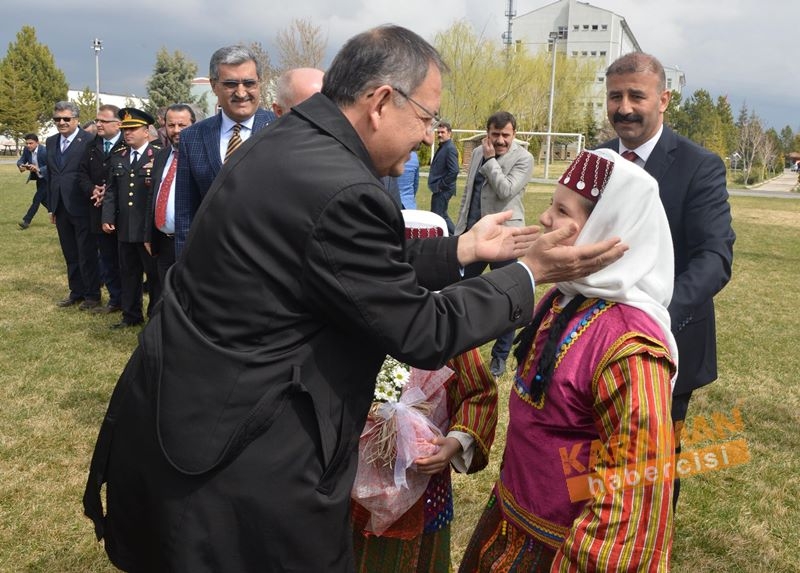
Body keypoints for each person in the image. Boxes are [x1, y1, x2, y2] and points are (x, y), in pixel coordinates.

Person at [83, 25, 626, 573]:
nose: (429, 135)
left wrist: (458, 250)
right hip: (241, 455)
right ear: (382, 102)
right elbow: (422, 330)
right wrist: (530, 274)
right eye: (427, 118)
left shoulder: (289, 141)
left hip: (191, 419)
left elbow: (335, 267)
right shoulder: (343, 187)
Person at [460, 148, 677, 572]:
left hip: (562, 549)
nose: (543, 218)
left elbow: (632, 495)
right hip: (510, 523)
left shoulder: (632, 349)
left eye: (561, 210)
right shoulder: (564, 300)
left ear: (605, 227)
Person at [598, 52, 735, 509]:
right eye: (615, 96)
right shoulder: (596, 162)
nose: (624, 107)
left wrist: (655, 316)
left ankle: (650, 544)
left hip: (666, 343)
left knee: (652, 464)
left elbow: (714, 258)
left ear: (664, 100)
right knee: (592, 458)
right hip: (594, 342)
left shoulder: (699, 166)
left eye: (637, 95)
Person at [352, 211, 498, 573]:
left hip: (424, 484)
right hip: (355, 485)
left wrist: (454, 443)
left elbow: (478, 394)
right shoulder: (360, 325)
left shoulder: (449, 333)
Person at [173, 44, 277, 256]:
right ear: (214, 85)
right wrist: (183, 272)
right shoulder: (191, 137)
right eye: (230, 84)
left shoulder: (283, 129)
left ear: (260, 83)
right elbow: (185, 213)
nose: (241, 93)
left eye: (249, 83)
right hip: (211, 264)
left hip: (270, 265)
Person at [454, 111, 534, 378]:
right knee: (459, 291)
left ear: (514, 135)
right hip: (474, 236)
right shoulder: (478, 152)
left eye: (505, 135)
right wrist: (461, 229)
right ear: (487, 133)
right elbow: (469, 193)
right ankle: (456, 349)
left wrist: (491, 161)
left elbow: (505, 190)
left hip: (505, 239)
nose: (499, 141)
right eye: (494, 135)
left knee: (508, 297)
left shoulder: (524, 158)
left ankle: (500, 356)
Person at [101, 108, 161, 329]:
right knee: (128, 274)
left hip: (149, 228)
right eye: (125, 129)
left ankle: (155, 315)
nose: (128, 133)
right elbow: (111, 191)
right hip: (125, 227)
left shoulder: (158, 155)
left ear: (146, 131)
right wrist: (107, 216)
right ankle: (131, 315)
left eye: (133, 129)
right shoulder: (119, 157)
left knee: (154, 276)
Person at [46, 101, 99, 309]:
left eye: (66, 119)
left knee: (86, 252)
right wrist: (52, 206)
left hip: (82, 205)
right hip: (60, 207)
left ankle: (92, 295)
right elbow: (51, 176)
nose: (61, 122)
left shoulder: (89, 140)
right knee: (70, 252)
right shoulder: (50, 142)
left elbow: (92, 172)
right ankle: (76, 291)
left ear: (75, 119)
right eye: (57, 119)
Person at [78, 104, 126, 314]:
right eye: (97, 120)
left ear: (118, 124)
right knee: (107, 259)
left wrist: (109, 192)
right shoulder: (91, 145)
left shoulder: (127, 143)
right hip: (98, 210)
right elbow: (81, 174)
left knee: (125, 259)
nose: (98, 124)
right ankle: (115, 300)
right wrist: (93, 190)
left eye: (103, 121)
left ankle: (129, 299)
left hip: (123, 212)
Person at [144, 103, 197, 287]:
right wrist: (149, 235)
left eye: (182, 125)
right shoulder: (161, 156)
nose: (176, 130)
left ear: (194, 124)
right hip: (164, 243)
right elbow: (153, 196)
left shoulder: (202, 156)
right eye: (171, 125)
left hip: (191, 243)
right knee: (165, 294)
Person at [427, 121, 459, 234]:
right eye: (438, 132)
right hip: (439, 189)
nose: (440, 135)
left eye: (443, 132)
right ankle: (455, 237)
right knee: (441, 215)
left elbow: (454, 170)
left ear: (449, 133)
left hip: (443, 190)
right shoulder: (443, 147)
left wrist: (442, 185)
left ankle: (455, 237)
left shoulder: (450, 148)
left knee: (438, 216)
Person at [16, 133, 48, 230]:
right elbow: (21, 160)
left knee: (37, 199)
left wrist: (38, 169)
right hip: (39, 178)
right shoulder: (27, 150)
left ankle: (27, 221)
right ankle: (58, 214)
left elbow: (52, 165)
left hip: (48, 179)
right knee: (43, 199)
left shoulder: (44, 151)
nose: (28, 145)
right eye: (27, 143)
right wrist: (20, 165)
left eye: (31, 143)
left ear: (37, 143)